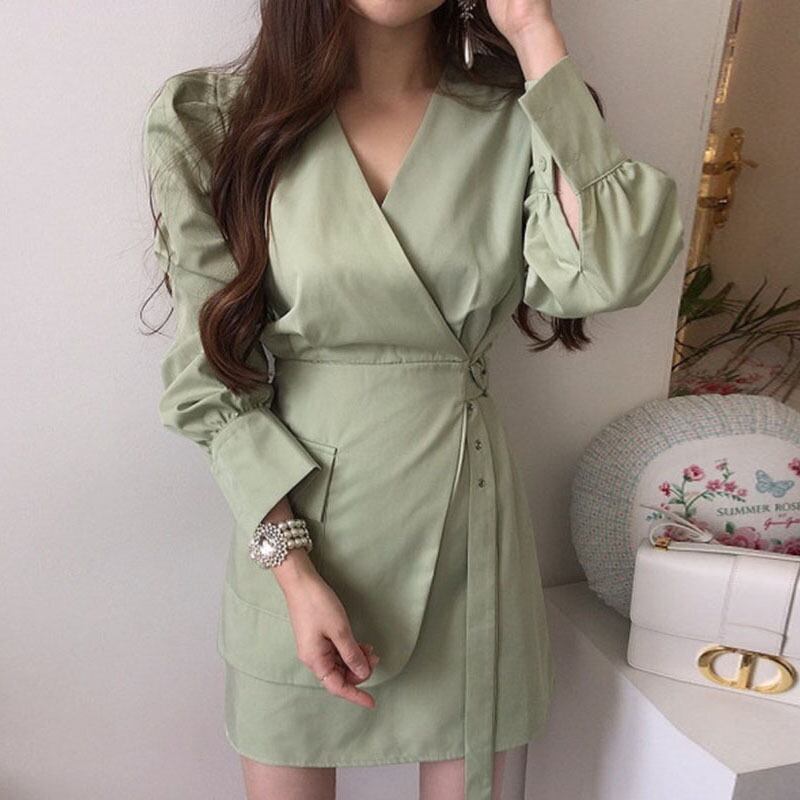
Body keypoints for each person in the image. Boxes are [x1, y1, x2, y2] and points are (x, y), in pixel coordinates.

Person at [143, 1, 684, 799]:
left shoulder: (519, 115)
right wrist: (293, 572)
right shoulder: (214, 120)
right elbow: (211, 376)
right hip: (294, 535)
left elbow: (611, 268)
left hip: (469, 530)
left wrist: (534, 32)